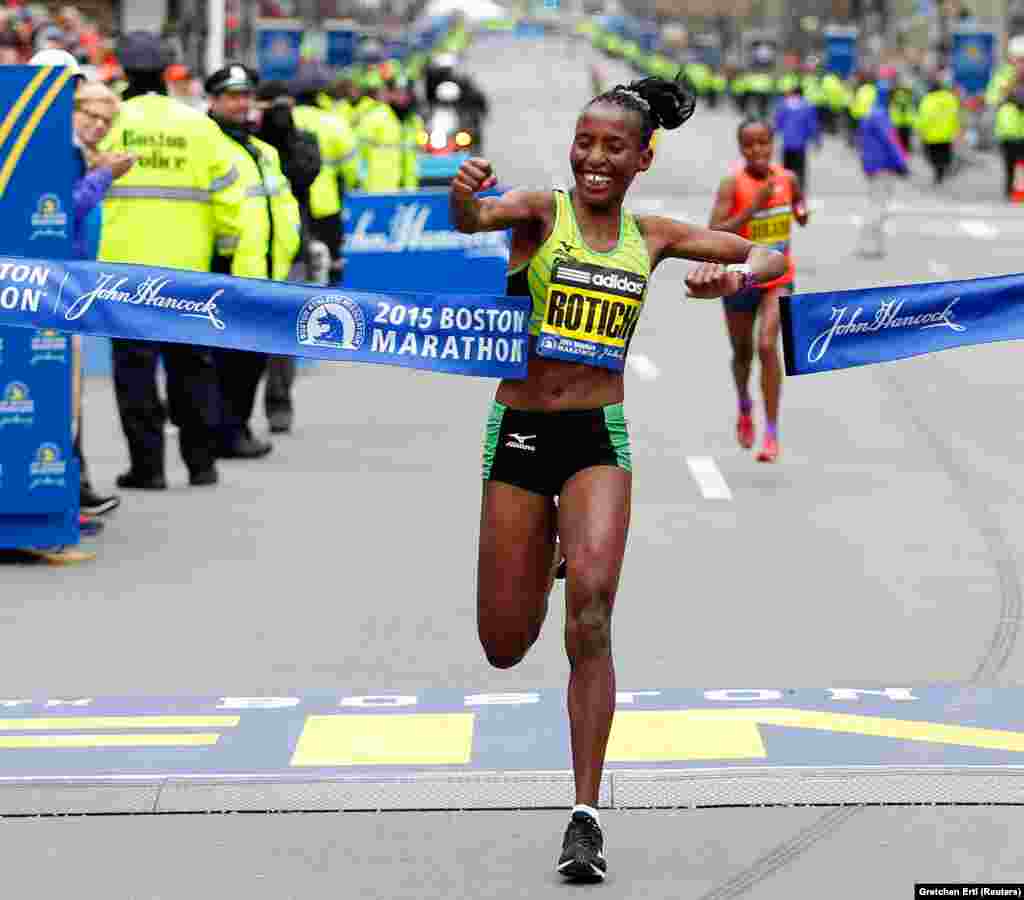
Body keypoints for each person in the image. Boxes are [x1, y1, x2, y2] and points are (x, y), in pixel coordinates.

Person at [450, 75, 785, 883]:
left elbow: (768, 252)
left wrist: (735, 276)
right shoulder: (540, 213)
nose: (595, 158)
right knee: (504, 645)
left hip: (598, 435)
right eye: (585, 142)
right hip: (523, 433)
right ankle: (549, 548)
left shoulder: (655, 236)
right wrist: (462, 195)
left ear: (642, 157)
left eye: (613, 147)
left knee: (592, 614)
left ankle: (585, 816)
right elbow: (475, 217)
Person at [98, 31, 245, 489]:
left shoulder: (110, 123)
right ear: (168, 72)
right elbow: (229, 197)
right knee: (192, 368)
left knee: (135, 372)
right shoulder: (198, 125)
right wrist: (223, 254)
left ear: (123, 71)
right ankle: (201, 465)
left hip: (124, 270)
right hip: (188, 271)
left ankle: (148, 468)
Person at [206, 63, 302, 458]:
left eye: (245, 95)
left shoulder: (262, 150)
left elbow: (282, 203)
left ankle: (236, 429)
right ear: (213, 100)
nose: (240, 103)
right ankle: (224, 434)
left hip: (263, 270)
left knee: (251, 362)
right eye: (231, 96)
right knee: (226, 363)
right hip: (225, 270)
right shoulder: (207, 143)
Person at [709, 118, 807, 464]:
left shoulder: (787, 178)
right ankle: (744, 405)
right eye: (750, 145)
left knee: (767, 346)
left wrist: (800, 209)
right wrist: (753, 208)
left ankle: (772, 432)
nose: (758, 151)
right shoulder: (731, 184)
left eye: (763, 143)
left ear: (772, 143)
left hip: (778, 277)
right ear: (741, 148)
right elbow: (715, 231)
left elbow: (799, 207)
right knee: (743, 353)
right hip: (740, 279)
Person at [70, 74, 135, 519]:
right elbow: (62, 207)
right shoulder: (60, 153)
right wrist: (104, 177)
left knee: (71, 397)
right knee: (64, 393)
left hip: (73, 282)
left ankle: (74, 486)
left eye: (106, 120)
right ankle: (68, 489)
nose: (98, 125)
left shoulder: (82, 154)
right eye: (91, 115)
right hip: (53, 285)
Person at [254, 79, 323, 433]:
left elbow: (303, 173)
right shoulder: (246, 144)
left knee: (284, 330)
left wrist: (284, 137)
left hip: (292, 247)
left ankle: (279, 403)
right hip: (249, 247)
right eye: (272, 108)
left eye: (285, 107)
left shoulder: (305, 142)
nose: (280, 115)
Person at [855, 81, 909, 258]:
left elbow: (861, 142)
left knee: (874, 204)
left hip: (872, 165)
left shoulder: (870, 114)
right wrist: (902, 163)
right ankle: (871, 246)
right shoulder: (881, 116)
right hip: (883, 166)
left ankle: (870, 245)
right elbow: (891, 142)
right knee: (879, 206)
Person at [773, 82, 819, 189]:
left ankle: (786, 188)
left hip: (787, 143)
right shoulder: (807, 105)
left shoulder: (783, 104)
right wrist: (816, 140)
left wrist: (773, 134)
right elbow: (812, 125)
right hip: (800, 144)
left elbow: (777, 122)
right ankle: (798, 189)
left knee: (786, 169)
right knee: (799, 170)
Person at [916, 74, 961, 185]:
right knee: (944, 155)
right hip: (947, 134)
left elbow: (923, 117)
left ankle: (938, 173)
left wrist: (920, 130)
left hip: (931, 135)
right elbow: (956, 115)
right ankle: (942, 170)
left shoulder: (927, 100)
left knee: (933, 156)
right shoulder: (950, 98)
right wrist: (957, 129)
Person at [995, 83, 1024, 200]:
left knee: (1010, 168)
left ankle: (1010, 190)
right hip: (1020, 140)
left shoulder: (1004, 107)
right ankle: (1017, 191)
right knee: (1020, 167)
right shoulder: (1017, 107)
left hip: (1007, 141)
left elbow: (999, 125)